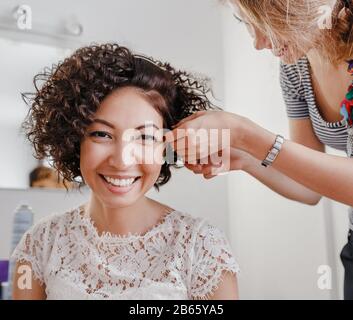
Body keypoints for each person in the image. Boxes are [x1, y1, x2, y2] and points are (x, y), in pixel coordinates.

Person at [11, 43, 239, 300]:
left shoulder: (203, 247)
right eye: (102, 134)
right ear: (74, 140)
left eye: (145, 137)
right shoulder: (39, 246)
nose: (121, 160)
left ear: (167, 146)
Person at [165, 0, 353, 299]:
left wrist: (245, 133)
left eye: (265, 22)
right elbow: (308, 187)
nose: (257, 42)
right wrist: (244, 157)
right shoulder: (296, 69)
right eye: (245, 23)